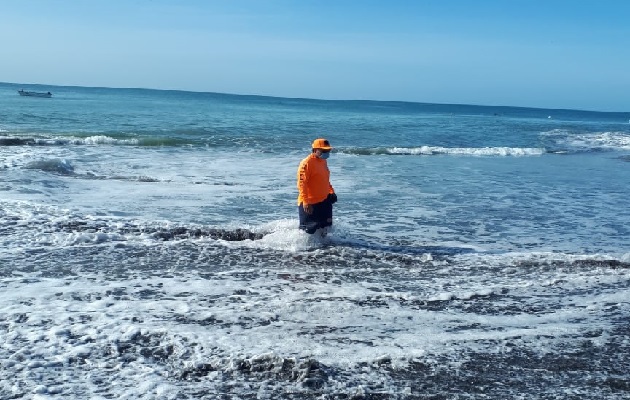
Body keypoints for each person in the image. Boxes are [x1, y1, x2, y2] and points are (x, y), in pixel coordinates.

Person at [297, 138, 338, 235]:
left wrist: (331, 192)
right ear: (315, 150)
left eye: (328, 150)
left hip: (324, 200)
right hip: (310, 202)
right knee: (307, 231)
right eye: (324, 150)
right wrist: (306, 201)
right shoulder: (307, 163)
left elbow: (325, 179)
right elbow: (302, 184)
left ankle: (324, 249)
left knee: (325, 228)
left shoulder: (323, 161)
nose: (327, 152)